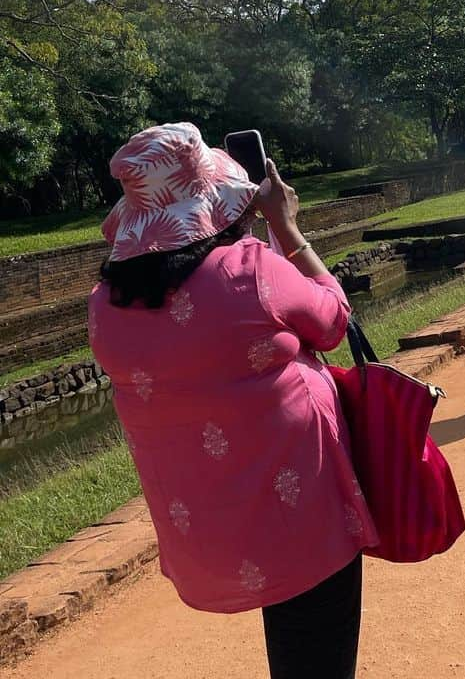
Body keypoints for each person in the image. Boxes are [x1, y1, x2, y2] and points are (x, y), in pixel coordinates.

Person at [88, 122, 376, 679]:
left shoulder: (104, 305)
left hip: (210, 529)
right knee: (315, 650)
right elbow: (334, 317)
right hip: (302, 510)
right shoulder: (250, 268)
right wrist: (285, 227)